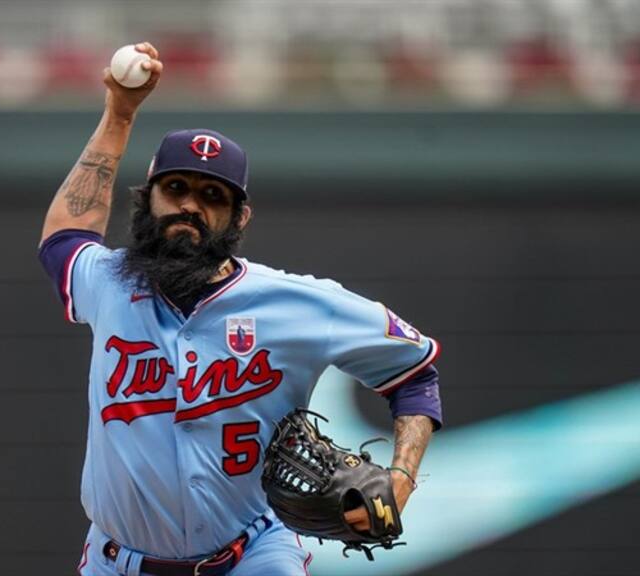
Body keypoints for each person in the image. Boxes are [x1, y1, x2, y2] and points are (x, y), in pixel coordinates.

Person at [38, 42, 443, 576]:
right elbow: (64, 236)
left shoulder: (296, 302)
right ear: (148, 198)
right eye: (176, 187)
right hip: (119, 562)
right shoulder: (108, 284)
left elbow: (414, 375)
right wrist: (119, 113)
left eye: (213, 196)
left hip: (252, 556)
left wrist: (401, 479)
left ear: (239, 217)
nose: (190, 205)